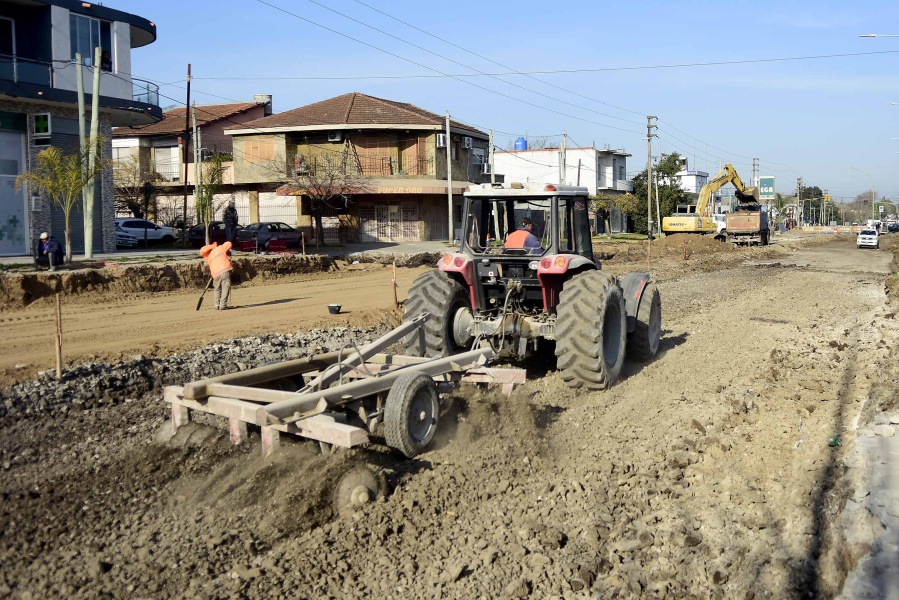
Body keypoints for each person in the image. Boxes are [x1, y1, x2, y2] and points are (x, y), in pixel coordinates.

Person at [200, 240, 234, 310]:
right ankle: (223, 305)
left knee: (217, 289)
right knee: (225, 287)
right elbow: (229, 243)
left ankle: (217, 304)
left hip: (215, 274)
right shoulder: (220, 248)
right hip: (224, 270)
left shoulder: (208, 257)